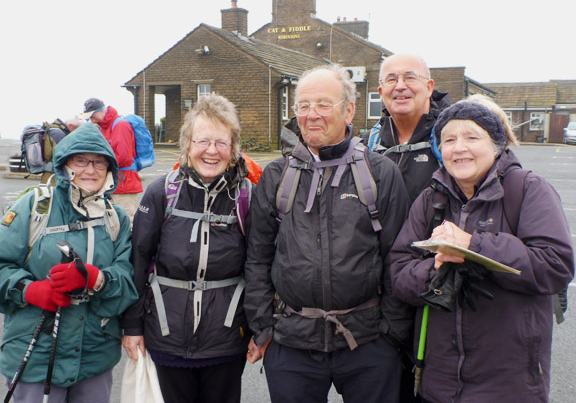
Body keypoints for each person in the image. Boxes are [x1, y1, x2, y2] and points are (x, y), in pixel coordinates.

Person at [244, 64, 412, 403]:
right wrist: (265, 328)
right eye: (303, 106)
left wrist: (390, 333)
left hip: (367, 342)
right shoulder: (277, 176)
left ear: (349, 109)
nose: (311, 115)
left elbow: (398, 256)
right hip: (292, 343)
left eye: (323, 104)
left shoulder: (380, 173)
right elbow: (258, 257)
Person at [390, 100, 574, 403]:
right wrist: (436, 266)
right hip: (439, 385)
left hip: (510, 388)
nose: (459, 148)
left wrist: (474, 245)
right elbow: (399, 273)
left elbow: (555, 267)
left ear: (496, 143)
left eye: (472, 138)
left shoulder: (529, 190)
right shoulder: (429, 199)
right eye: (449, 140)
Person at [121, 93, 251, 403]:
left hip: (227, 340)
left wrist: (260, 329)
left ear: (233, 149)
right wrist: (132, 325)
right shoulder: (160, 192)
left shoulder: (247, 196)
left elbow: (258, 266)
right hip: (167, 336)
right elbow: (137, 261)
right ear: (187, 144)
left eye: (221, 143)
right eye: (202, 141)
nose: (211, 151)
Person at [0, 122, 138, 402]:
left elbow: (128, 280)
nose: (90, 169)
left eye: (100, 163)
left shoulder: (117, 219)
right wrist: (31, 291)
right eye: (81, 160)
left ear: (109, 170)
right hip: (35, 354)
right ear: (65, 164)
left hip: (94, 356)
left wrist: (96, 279)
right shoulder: (34, 207)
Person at [365, 53, 452, 203]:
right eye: (391, 79)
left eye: (410, 78)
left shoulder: (453, 140)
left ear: (429, 87)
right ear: (381, 92)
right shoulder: (365, 146)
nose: (399, 86)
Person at [81, 98, 143, 223]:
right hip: (114, 183)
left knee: (126, 222)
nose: (91, 119)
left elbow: (123, 157)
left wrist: (99, 165)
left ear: (101, 110)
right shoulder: (104, 127)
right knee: (113, 222)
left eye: (92, 115)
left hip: (124, 184)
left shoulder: (120, 125)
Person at [40, 116, 85, 184]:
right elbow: (62, 158)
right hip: (54, 176)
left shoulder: (53, 131)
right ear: (70, 126)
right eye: (78, 129)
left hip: (49, 174)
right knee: (52, 193)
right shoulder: (59, 134)